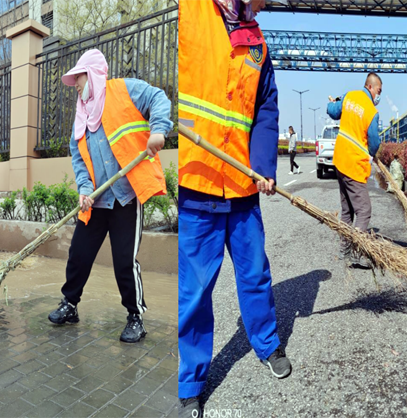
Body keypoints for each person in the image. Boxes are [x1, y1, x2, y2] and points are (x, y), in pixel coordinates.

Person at [177, 0, 291, 415]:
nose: (263, 6)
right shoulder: (188, 13)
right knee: (193, 291)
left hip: (242, 186)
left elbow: (265, 108)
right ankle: (190, 381)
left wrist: (263, 167)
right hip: (196, 183)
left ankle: (268, 343)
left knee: (255, 273)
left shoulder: (257, 44)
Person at [47, 49, 172, 344]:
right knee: (79, 254)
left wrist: (158, 130)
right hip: (96, 200)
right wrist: (84, 188)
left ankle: (135, 317)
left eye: (78, 78)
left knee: (124, 261)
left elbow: (159, 98)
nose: (75, 86)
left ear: (91, 74)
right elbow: (78, 157)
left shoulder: (124, 90)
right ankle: (70, 304)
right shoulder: (81, 115)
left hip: (125, 196)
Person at [327, 72, 382, 268]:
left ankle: (344, 250)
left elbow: (333, 111)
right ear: (371, 87)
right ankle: (356, 252)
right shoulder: (371, 111)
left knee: (347, 210)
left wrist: (332, 102)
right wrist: (371, 153)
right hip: (354, 165)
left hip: (340, 160)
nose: (379, 95)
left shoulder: (349, 96)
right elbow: (374, 142)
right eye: (379, 91)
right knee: (364, 210)